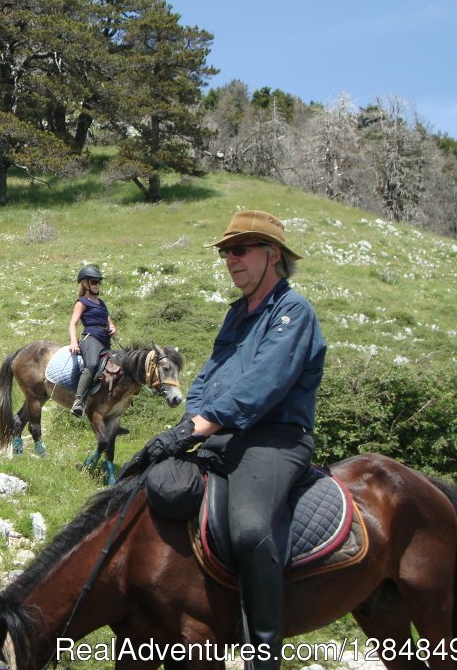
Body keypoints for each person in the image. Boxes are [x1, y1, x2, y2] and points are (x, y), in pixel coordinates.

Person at [143, 209, 326, 670]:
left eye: (240, 250)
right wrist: (192, 419)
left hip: (275, 439)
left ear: (274, 256)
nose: (230, 259)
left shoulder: (293, 312)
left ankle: (263, 654)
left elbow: (262, 386)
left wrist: (198, 428)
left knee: (248, 529)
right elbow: (209, 376)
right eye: (226, 251)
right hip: (224, 433)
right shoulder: (236, 315)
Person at [68, 265, 117, 417]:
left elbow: (109, 322)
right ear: (85, 284)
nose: (97, 285)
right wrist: (73, 341)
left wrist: (112, 328)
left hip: (105, 340)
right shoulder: (82, 302)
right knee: (92, 365)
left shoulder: (101, 303)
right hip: (90, 338)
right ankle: (78, 401)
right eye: (94, 282)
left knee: (116, 368)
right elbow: (73, 323)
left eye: (99, 282)